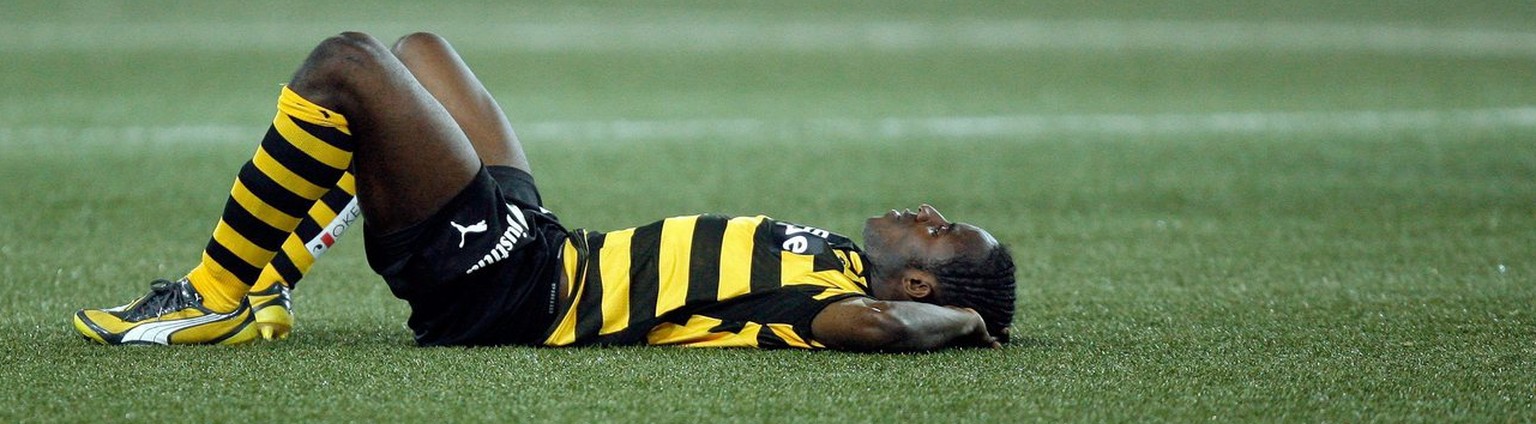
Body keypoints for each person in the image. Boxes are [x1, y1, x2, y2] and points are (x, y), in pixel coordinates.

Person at [71, 32, 1017, 351]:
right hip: (544, 238)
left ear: (923, 287)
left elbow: (882, 333)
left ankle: (219, 297)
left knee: (346, 66)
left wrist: (970, 326)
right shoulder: (847, 258)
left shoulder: (839, 304)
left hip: (512, 289)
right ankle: (273, 276)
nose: (926, 215)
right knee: (419, 55)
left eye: (942, 236)